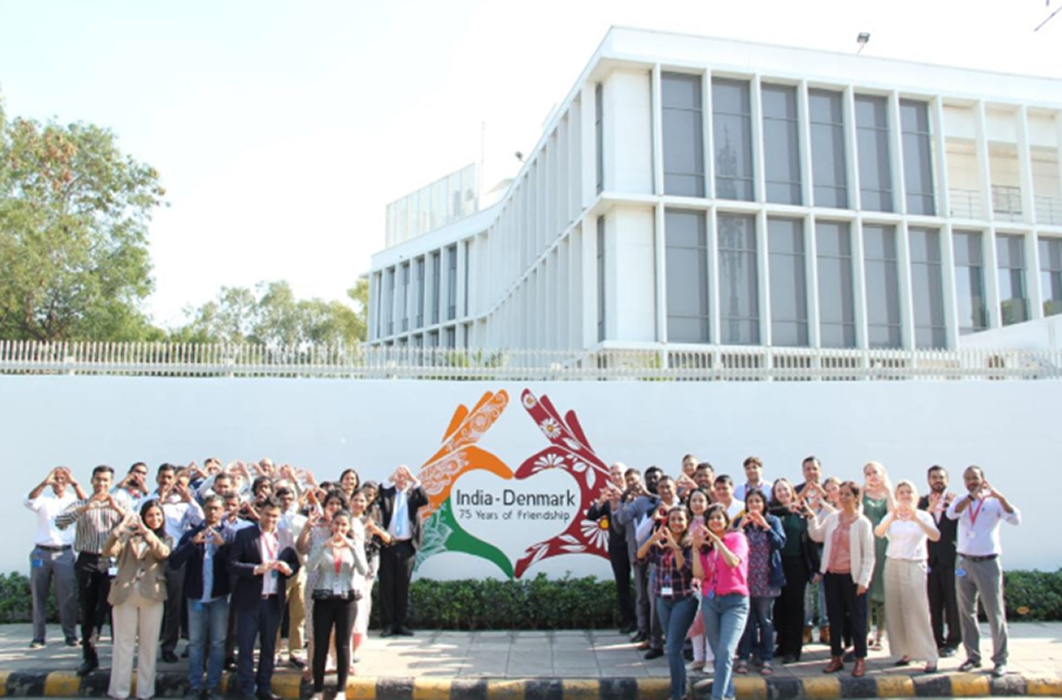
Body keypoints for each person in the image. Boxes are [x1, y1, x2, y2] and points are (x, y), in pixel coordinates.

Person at [946, 466, 1021, 678]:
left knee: (994, 612)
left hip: (987, 562)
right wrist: (970, 498)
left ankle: (1000, 659)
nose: (972, 481)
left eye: (975, 478)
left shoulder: (994, 502)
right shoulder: (961, 500)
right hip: (964, 562)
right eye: (967, 478)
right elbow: (952, 514)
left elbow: (1015, 519)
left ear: (983, 479)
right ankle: (973, 656)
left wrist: (1001, 498)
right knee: (966, 612)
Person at [55, 465, 127, 676]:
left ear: (111, 483)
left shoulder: (118, 503)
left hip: (111, 561)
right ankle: (90, 657)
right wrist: (85, 508)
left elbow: (133, 524)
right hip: (87, 559)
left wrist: (117, 509)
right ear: (92, 481)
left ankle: (119, 660)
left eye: (105, 480)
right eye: (98, 479)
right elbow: (60, 522)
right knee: (89, 611)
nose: (101, 484)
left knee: (115, 612)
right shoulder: (81, 503)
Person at [228, 497, 301, 700]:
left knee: (269, 648)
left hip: (273, 600)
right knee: (246, 647)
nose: (271, 519)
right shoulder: (245, 535)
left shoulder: (285, 536)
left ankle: (264, 688)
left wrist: (288, 569)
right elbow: (232, 564)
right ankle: (247, 690)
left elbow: (295, 564)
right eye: (267, 515)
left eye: (275, 516)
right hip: (249, 599)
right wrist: (255, 569)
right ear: (260, 513)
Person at [105, 501, 172, 700]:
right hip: (125, 593)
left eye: (158, 515)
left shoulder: (165, 538)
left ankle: (145, 692)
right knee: (123, 644)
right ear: (142, 516)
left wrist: (147, 533)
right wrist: (120, 529)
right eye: (150, 515)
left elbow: (163, 553)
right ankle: (119, 692)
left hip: (151, 594)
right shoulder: (127, 536)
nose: (155, 519)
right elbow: (108, 551)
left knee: (148, 646)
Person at [808, 481, 875, 678]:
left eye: (848, 494)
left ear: (856, 497)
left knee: (857, 618)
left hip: (852, 577)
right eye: (842, 494)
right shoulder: (833, 518)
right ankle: (836, 657)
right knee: (834, 618)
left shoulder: (862, 523)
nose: (844, 498)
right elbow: (817, 535)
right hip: (832, 575)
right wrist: (811, 517)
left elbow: (869, 555)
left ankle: (860, 659)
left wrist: (863, 580)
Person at [170, 495, 233, 700]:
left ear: (222, 510)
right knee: (196, 643)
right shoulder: (191, 534)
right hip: (196, 597)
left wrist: (223, 546)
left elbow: (234, 564)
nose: (212, 512)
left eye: (216, 508)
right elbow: (174, 562)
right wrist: (192, 544)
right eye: (209, 508)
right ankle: (195, 686)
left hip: (219, 596)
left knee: (218, 643)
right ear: (203, 510)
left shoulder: (229, 534)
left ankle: (213, 686)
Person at [874, 481, 940, 673]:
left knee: (917, 610)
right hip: (893, 564)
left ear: (915, 495)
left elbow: (935, 536)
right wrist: (892, 517)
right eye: (901, 492)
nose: (905, 495)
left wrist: (916, 518)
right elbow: (879, 532)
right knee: (896, 611)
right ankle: (904, 652)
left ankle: (929, 655)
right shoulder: (891, 516)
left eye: (909, 492)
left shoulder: (924, 515)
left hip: (914, 564)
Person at [144, 463, 205, 663]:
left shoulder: (183, 504)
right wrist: (159, 502)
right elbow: (140, 519)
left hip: (177, 556)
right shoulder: (150, 500)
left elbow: (200, 521)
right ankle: (152, 646)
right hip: (153, 556)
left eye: (170, 478)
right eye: (163, 477)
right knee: (156, 603)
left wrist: (189, 499)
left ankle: (173, 645)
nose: (166, 482)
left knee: (177, 604)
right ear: (157, 478)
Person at [306, 509, 369, 700]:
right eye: (337, 524)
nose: (339, 528)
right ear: (331, 524)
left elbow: (363, 570)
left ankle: (341, 690)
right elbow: (309, 567)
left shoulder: (355, 544)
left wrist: (352, 547)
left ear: (349, 527)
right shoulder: (321, 543)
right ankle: (318, 690)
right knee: (321, 644)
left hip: (346, 599)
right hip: (323, 599)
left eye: (343, 525)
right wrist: (323, 546)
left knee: (343, 644)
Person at [636, 506, 696, 700]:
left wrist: (675, 547)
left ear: (687, 522)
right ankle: (681, 690)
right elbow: (640, 557)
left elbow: (686, 571)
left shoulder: (690, 544)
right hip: (663, 598)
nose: (676, 523)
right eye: (673, 519)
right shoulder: (660, 543)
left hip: (684, 598)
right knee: (674, 648)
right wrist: (651, 541)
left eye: (680, 519)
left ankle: (677, 693)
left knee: (673, 646)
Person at [692, 504, 749, 700]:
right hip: (711, 601)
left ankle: (717, 697)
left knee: (726, 651)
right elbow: (699, 574)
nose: (715, 521)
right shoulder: (706, 546)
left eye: (719, 517)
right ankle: (728, 695)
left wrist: (719, 541)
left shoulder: (737, 538)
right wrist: (695, 548)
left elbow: (733, 562)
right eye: (711, 518)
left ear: (726, 520)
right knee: (719, 654)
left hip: (735, 601)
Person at [25, 466, 84, 648]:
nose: (59, 482)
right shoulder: (43, 499)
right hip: (41, 552)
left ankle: (70, 635)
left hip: (63, 553)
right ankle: (38, 637)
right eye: (56, 478)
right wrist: (44, 482)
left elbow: (88, 502)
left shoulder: (72, 500)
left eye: (62, 479)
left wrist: (74, 483)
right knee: (38, 596)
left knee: (68, 596)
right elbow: (29, 500)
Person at [733, 490, 784, 677]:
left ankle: (766, 657)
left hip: (766, 579)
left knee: (765, 621)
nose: (754, 505)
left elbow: (780, 543)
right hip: (745, 579)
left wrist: (766, 527)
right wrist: (740, 527)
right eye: (751, 501)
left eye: (758, 501)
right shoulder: (741, 522)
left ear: (764, 504)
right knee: (746, 621)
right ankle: (744, 656)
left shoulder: (772, 521)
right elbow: (731, 543)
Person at [770, 478, 817, 664]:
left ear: (791, 491)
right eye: (778, 490)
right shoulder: (773, 512)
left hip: (796, 564)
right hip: (777, 564)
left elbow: (810, 540)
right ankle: (781, 644)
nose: (782, 493)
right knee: (779, 607)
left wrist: (815, 567)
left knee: (794, 607)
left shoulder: (802, 512)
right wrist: (785, 509)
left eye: (785, 489)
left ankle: (793, 649)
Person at [377, 465, 428, 637]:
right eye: (399, 478)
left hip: (406, 546)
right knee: (386, 586)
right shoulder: (388, 495)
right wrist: (392, 477)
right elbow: (380, 490)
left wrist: (413, 479)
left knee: (402, 586)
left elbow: (424, 499)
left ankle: (401, 623)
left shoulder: (412, 496)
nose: (402, 481)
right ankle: (388, 624)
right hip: (387, 546)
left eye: (405, 479)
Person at [587, 462, 636, 634]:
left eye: (619, 473)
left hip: (637, 545)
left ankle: (645, 623)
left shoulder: (634, 493)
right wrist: (601, 502)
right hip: (618, 546)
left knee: (642, 585)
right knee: (622, 585)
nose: (616, 477)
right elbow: (591, 516)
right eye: (613, 474)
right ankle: (628, 621)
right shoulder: (608, 495)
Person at [919, 465, 961, 658]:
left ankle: (953, 641)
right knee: (932, 602)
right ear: (928, 480)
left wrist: (952, 506)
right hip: (928, 558)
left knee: (953, 601)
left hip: (950, 557)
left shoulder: (956, 501)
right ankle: (935, 640)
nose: (938, 480)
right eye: (934, 477)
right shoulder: (920, 502)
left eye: (941, 477)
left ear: (947, 480)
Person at [615, 467, 654, 649]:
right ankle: (642, 629)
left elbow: (661, 505)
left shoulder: (651, 500)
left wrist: (646, 494)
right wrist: (623, 500)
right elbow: (622, 520)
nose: (632, 484)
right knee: (641, 594)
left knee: (653, 594)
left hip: (653, 553)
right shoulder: (630, 503)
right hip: (635, 552)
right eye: (628, 481)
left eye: (634, 480)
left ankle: (654, 633)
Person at [861, 461, 893, 650]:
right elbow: (857, 511)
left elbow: (892, 514)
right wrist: (863, 489)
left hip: (883, 544)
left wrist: (887, 491)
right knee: (865, 588)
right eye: (868, 473)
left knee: (882, 591)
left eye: (875, 472)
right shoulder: (863, 493)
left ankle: (881, 635)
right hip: (865, 543)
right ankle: (866, 632)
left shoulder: (888, 494)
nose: (872, 476)